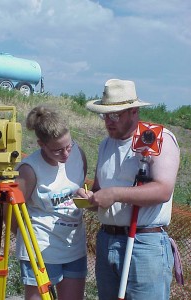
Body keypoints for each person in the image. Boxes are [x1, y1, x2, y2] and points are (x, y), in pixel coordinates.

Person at [77, 79, 180, 300]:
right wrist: (90, 198)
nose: (108, 121)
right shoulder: (106, 144)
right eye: (104, 115)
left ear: (133, 112)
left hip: (145, 243)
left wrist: (114, 194)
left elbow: (163, 190)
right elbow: (99, 190)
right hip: (107, 239)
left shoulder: (157, 138)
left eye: (114, 115)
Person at [12, 105, 87, 300]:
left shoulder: (78, 156)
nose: (65, 155)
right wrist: (28, 241)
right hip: (41, 249)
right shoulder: (29, 169)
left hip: (74, 247)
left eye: (68, 146)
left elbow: (79, 186)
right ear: (41, 144)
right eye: (57, 150)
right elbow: (12, 215)